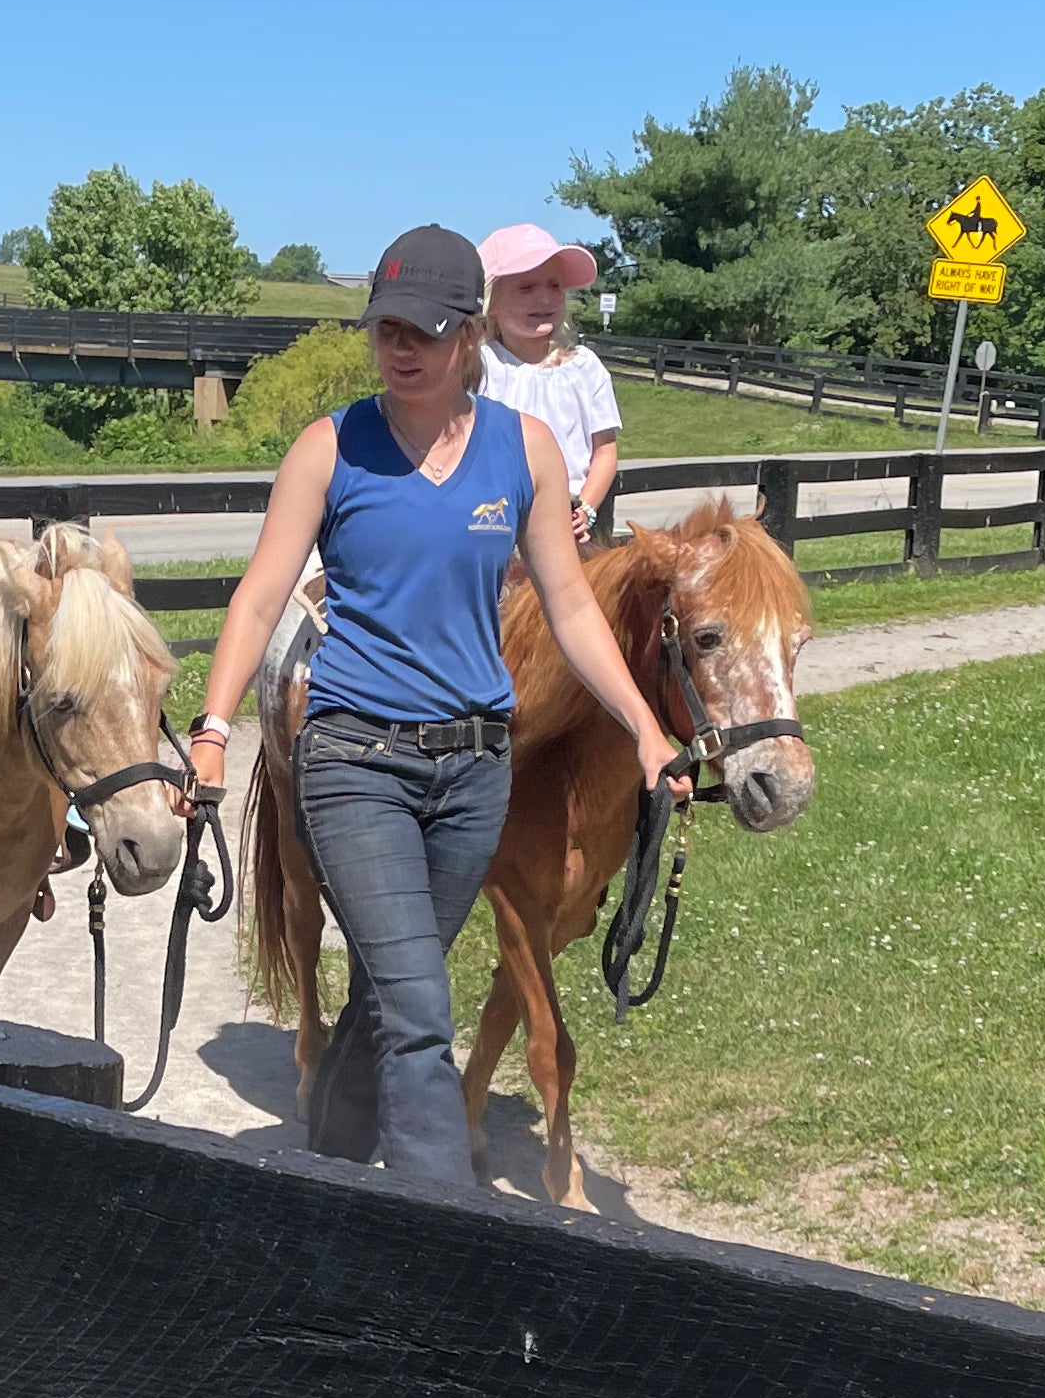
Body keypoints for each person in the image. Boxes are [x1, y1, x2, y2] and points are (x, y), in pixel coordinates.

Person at [188, 224, 688, 1184]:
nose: (402, 348)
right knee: (423, 1014)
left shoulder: (524, 451)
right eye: (387, 330)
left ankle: (331, 1163)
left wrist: (643, 727)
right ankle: (439, 1226)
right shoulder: (330, 447)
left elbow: (570, 604)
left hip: (472, 772)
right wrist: (213, 729)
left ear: (468, 333)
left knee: (389, 991)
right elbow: (257, 599)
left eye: (424, 330)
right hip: (354, 761)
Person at [476, 222, 622, 529]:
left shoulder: (584, 368)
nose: (545, 298)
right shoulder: (480, 366)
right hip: (495, 517)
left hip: (566, 516)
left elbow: (605, 450)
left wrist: (586, 509)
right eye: (526, 287)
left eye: (554, 286)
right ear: (492, 300)